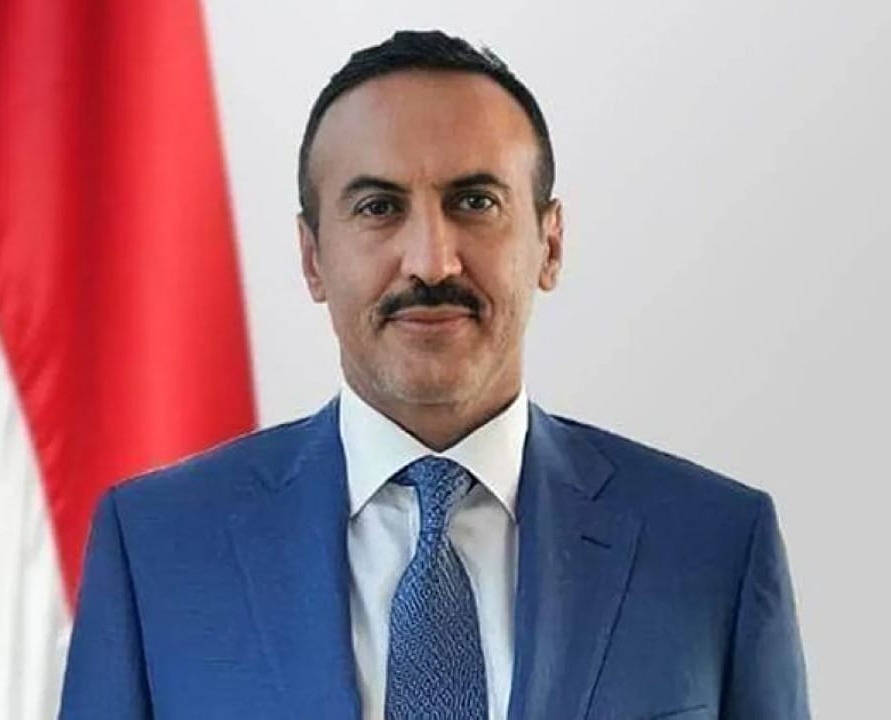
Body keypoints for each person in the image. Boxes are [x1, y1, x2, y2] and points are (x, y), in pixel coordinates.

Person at [59, 30, 809, 719]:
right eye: (378, 207)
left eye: (475, 202)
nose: (431, 261)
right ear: (313, 259)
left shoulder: (714, 547)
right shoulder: (157, 547)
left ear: (549, 244)